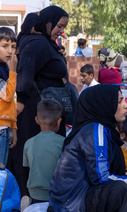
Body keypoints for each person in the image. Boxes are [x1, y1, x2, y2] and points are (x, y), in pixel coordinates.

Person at [48, 84, 127, 212]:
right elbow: (101, 178)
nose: (126, 105)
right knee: (119, 190)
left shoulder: (103, 129)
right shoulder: (95, 130)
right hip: (71, 208)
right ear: (104, 105)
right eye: (120, 101)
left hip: (73, 202)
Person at [8, 5, 69, 197]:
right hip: (36, 107)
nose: (61, 31)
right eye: (59, 26)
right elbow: (25, 70)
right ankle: (26, 194)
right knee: (31, 151)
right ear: (48, 23)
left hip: (45, 105)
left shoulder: (45, 41)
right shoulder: (38, 43)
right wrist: (22, 99)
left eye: (63, 27)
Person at [23, 99, 64, 203]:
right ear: (59, 121)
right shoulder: (63, 142)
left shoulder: (28, 143)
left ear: (37, 120)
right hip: (58, 194)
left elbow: (26, 169)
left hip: (34, 195)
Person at [0, 27, 18, 166]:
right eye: (4, 46)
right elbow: (7, 95)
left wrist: (13, 128)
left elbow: (12, 101)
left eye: (13, 46)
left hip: (5, 129)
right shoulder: (8, 71)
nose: (10, 51)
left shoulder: (6, 69)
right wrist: (13, 71)